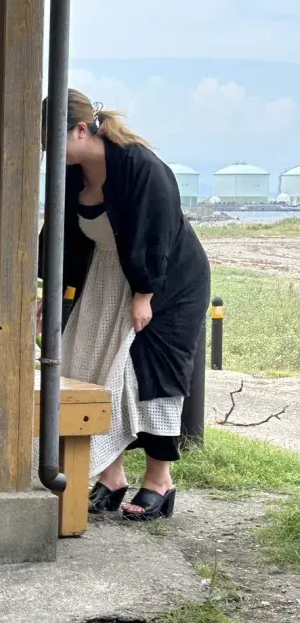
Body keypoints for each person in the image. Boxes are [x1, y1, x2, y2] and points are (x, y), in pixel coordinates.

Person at [39, 89, 210, 521]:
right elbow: (60, 235)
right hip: (107, 274)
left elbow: (157, 232)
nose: (48, 154)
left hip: (167, 279)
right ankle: (111, 476)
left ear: (81, 129)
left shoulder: (140, 166)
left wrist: (144, 294)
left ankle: (160, 481)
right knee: (87, 364)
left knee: (149, 372)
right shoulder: (70, 173)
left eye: (52, 142)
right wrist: (52, 291)